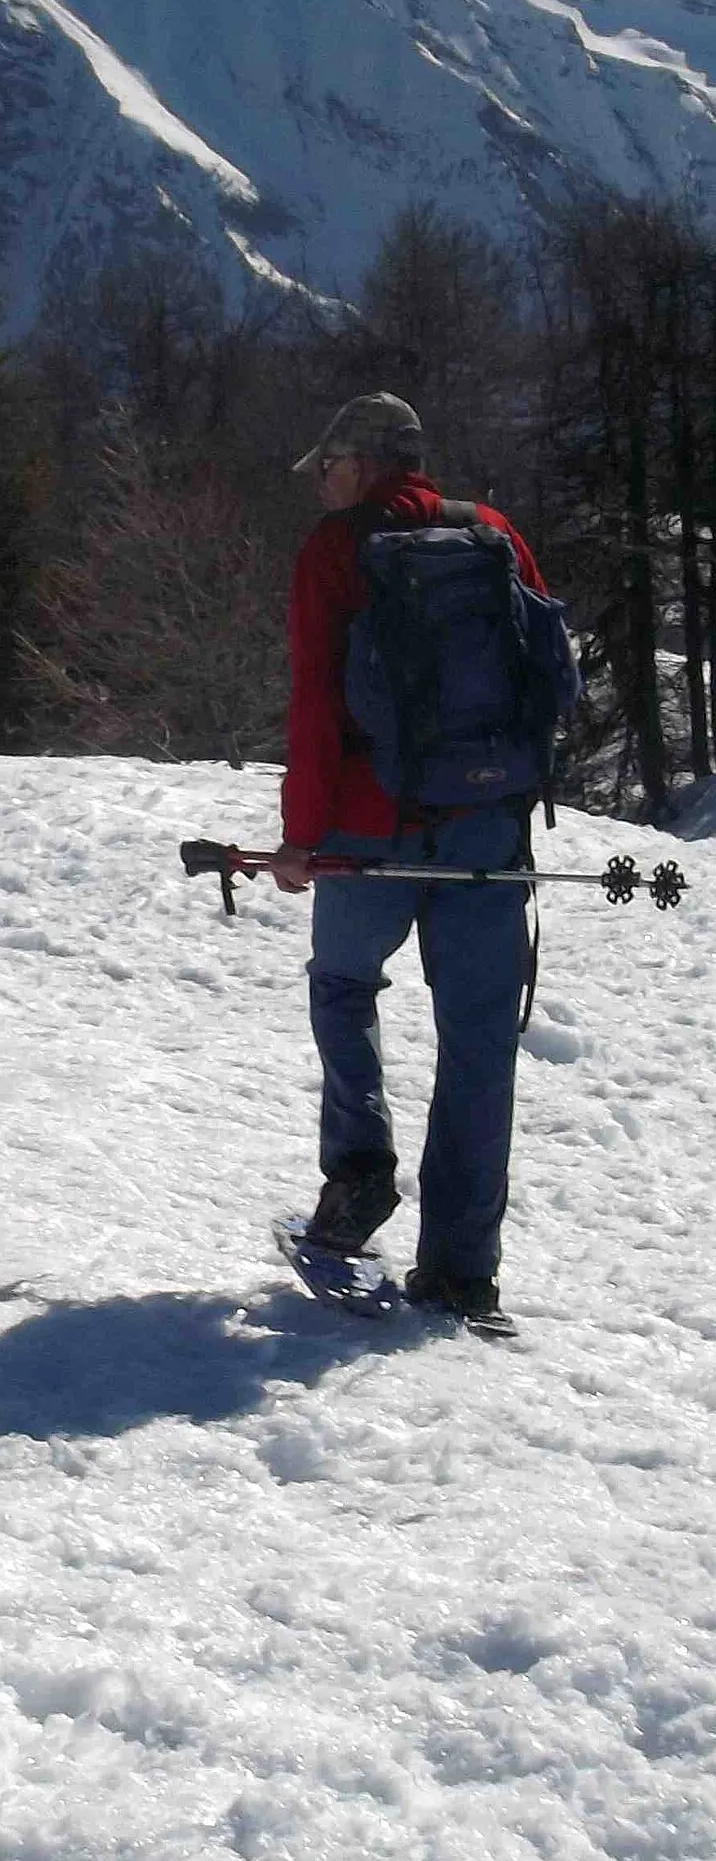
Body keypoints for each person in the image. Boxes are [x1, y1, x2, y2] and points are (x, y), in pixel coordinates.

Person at [274, 392, 551, 1323]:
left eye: (328, 464)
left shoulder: (335, 550)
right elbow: (549, 672)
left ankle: (359, 1177)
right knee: (478, 1040)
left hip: (367, 827)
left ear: (361, 462)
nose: (321, 479)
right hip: (486, 831)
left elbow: (316, 701)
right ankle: (463, 1269)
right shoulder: (494, 533)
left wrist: (300, 839)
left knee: (343, 983)